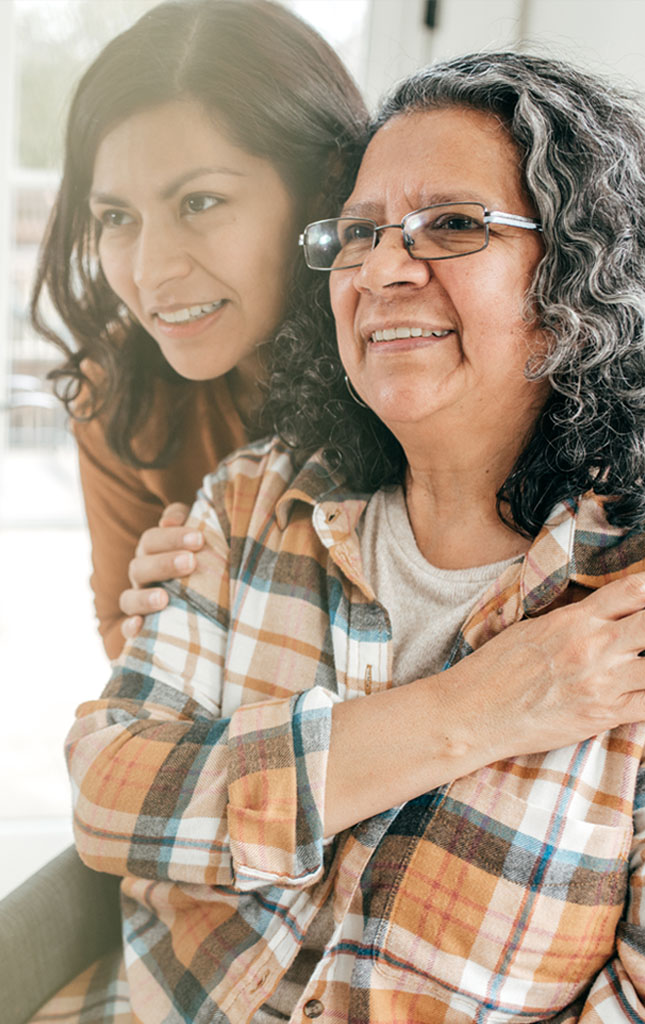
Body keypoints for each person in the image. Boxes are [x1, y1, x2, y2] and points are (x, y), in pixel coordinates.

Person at [59, 51, 645, 1023]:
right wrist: (474, 710)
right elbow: (111, 792)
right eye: (359, 233)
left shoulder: (636, 592)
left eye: (455, 225)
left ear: (579, 283)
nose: (382, 267)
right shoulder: (253, 500)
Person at [30, 0, 368, 659]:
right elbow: (124, 650)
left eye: (200, 202)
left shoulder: (412, 361)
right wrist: (164, 624)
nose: (151, 272)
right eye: (116, 217)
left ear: (324, 188)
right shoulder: (119, 394)